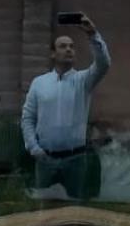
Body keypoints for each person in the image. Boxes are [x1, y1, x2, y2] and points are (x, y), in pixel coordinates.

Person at [20, 14, 111, 200]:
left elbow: (103, 64)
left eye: (71, 46)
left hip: (75, 160)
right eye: (63, 46)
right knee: (43, 212)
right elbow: (28, 118)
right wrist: (33, 147)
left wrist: (92, 34)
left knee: (75, 211)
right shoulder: (39, 83)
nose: (69, 49)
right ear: (53, 53)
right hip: (45, 159)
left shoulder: (83, 80)